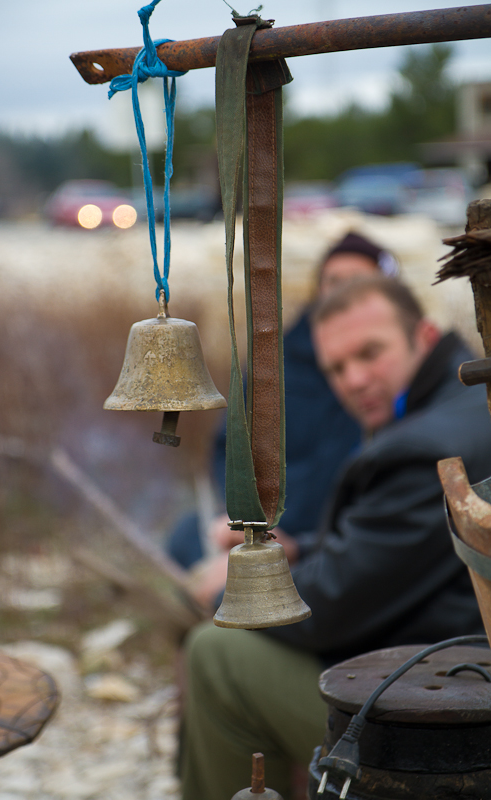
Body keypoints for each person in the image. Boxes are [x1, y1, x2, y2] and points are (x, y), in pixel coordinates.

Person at [180, 276, 491, 800]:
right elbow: (384, 552)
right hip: (448, 676)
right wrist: (298, 549)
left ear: (426, 335)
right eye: (337, 368)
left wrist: (224, 594)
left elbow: (333, 605)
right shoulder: (464, 405)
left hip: (446, 726)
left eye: (371, 353)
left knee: (217, 654)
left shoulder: (423, 448)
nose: (355, 379)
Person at [168, 232, 398, 571]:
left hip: (347, 541)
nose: (345, 292)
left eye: (360, 281)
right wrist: (247, 518)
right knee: (185, 538)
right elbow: (231, 448)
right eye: (335, 281)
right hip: (272, 531)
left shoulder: (396, 370)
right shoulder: (273, 362)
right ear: (318, 289)